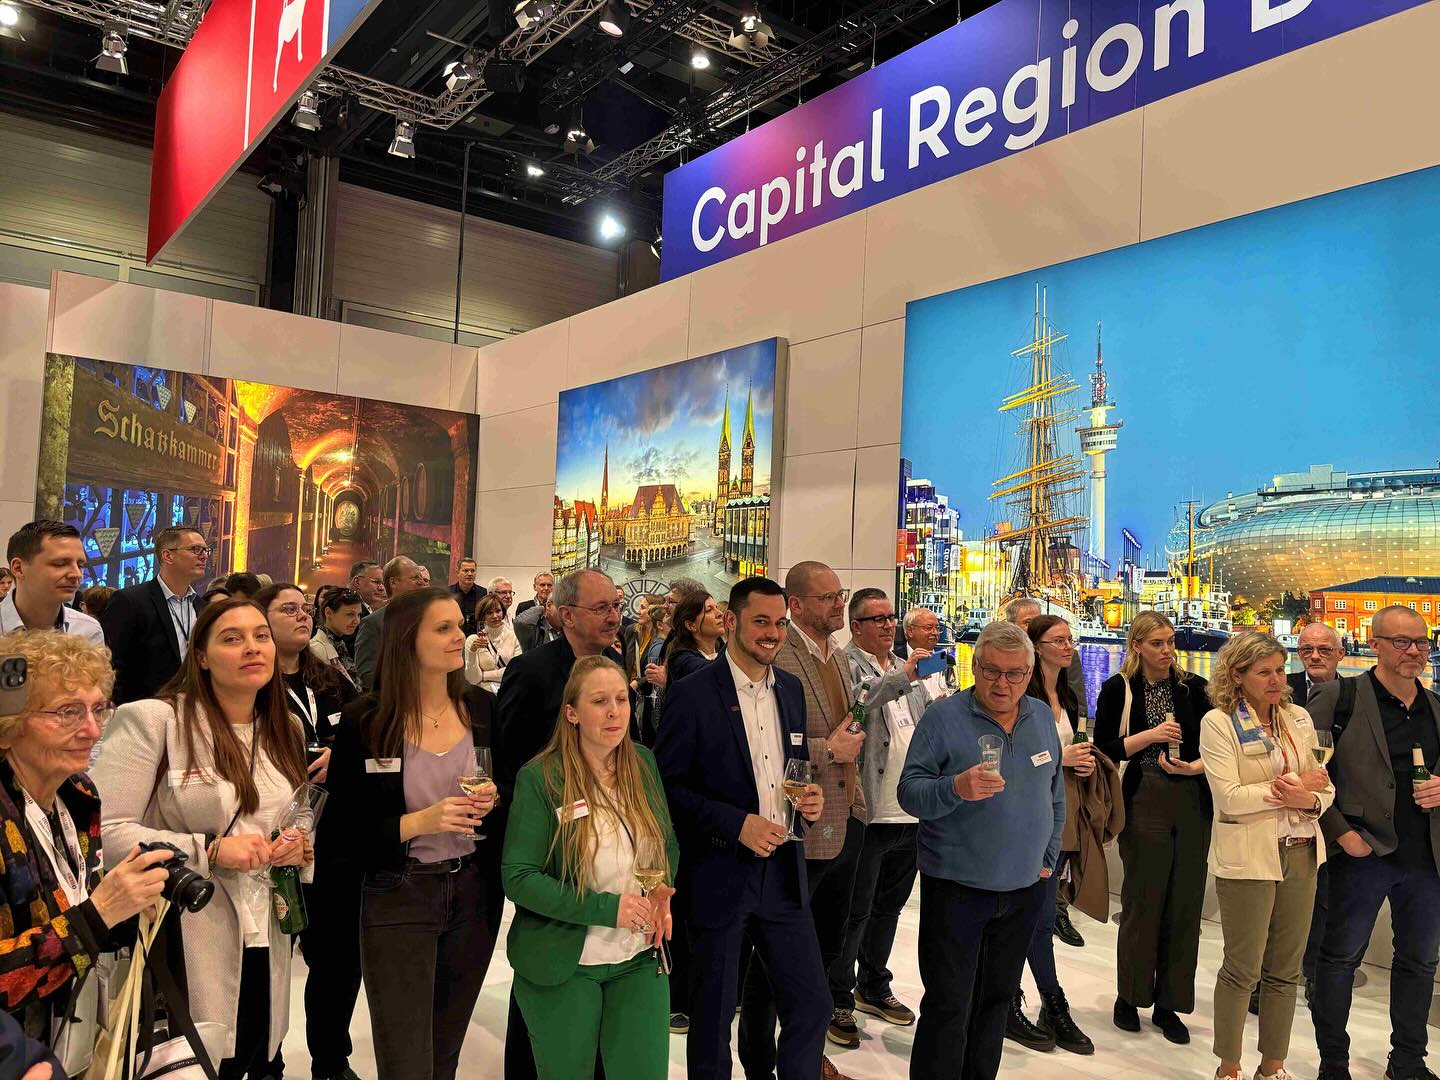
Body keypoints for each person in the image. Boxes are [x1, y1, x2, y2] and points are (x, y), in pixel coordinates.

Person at [93, 597, 313, 1078]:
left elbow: (292, 814)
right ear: (201, 657)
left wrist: (298, 845)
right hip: (183, 937)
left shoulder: (286, 728)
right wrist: (207, 850)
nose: (252, 647)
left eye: (260, 636)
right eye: (232, 639)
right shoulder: (155, 720)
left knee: (254, 1053)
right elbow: (105, 833)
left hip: (267, 932)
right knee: (194, 1064)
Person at [655, 576, 829, 1080]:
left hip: (783, 875)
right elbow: (668, 788)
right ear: (731, 621)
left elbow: (793, 769)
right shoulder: (692, 693)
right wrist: (736, 824)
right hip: (720, 874)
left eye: (780, 623)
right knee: (712, 1020)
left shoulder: (790, 689)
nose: (773, 633)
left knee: (812, 1005)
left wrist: (807, 800)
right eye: (761, 622)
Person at [325, 587, 500, 1080]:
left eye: (458, 625)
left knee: (445, 1054)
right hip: (397, 893)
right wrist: (420, 822)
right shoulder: (367, 719)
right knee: (406, 1060)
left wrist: (494, 798)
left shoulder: (481, 708)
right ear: (406, 640)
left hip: (473, 893)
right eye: (443, 628)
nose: (459, 636)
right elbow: (341, 831)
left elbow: (503, 784)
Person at [897, 620, 1065, 1080]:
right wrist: (955, 787)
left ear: (1029, 673)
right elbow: (909, 792)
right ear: (976, 667)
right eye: (991, 671)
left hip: (1024, 888)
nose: (1001, 684)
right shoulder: (944, 717)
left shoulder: (1040, 717)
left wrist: (1048, 857)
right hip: (956, 888)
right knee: (949, 1004)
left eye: (1014, 674)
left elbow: (1054, 793)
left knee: (996, 1003)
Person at [0, 631, 172, 1064]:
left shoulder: (78, 793)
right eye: (68, 712)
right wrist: (100, 913)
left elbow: (72, 898)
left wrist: (127, 908)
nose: (93, 731)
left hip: (69, 1032)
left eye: (98, 709)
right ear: (8, 723)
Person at [502, 655, 678, 1078]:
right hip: (565, 962)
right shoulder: (542, 778)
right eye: (599, 701)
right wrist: (607, 908)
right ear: (572, 713)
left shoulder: (643, 763)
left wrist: (660, 889)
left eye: (621, 699)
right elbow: (519, 878)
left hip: (638, 956)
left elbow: (665, 843)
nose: (614, 711)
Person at [495, 567, 624, 1080]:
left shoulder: (613, 664)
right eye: (602, 608)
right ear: (566, 615)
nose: (614, 617)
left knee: (599, 959)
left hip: (610, 842)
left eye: (616, 606)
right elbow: (509, 764)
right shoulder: (532, 671)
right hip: (553, 845)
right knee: (548, 960)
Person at [742, 561, 863, 1079]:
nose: (839, 604)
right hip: (800, 828)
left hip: (844, 818)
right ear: (796, 605)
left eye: (840, 594)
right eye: (828, 597)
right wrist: (827, 750)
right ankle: (763, 1060)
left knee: (826, 949)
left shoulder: (836, 656)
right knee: (776, 962)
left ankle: (805, 1055)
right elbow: (766, 743)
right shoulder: (780, 655)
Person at [1308, 605, 1440, 1080]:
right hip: (1361, 853)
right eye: (1402, 641)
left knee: (1419, 962)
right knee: (1339, 959)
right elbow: (1305, 772)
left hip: (1426, 859)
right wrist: (1342, 833)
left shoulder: (1436, 706)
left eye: (1421, 642)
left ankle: (1407, 1061)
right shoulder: (1338, 698)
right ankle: (1333, 1064)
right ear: (1375, 644)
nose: (1413, 651)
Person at [1199, 632, 1334, 1080]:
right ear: (1237, 676)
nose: (1277, 680)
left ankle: (1272, 1066)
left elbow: (1325, 787)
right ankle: (1229, 1067)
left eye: (1279, 670)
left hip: (1302, 851)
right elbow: (1230, 797)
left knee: (1286, 971)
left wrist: (1308, 799)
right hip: (1250, 856)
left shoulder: (1298, 718)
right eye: (1264, 672)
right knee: (1242, 969)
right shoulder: (1218, 723)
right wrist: (1291, 790)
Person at [254, 582, 361, 1080]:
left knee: (338, 960)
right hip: (269, 839)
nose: (302, 616)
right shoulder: (251, 684)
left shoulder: (330, 677)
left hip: (332, 838)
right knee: (266, 963)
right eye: (288, 609)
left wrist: (341, 754)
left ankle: (331, 1061)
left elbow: (366, 731)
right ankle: (265, 1061)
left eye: (305, 608)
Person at [1093, 610, 1211, 1044]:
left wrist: (1195, 766)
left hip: (1192, 797)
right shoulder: (1119, 688)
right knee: (1143, 901)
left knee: (1185, 904)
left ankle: (1170, 1003)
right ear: (1137, 646)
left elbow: (1218, 744)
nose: (1166, 651)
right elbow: (1105, 748)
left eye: (1170, 642)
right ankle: (1130, 995)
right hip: (1143, 795)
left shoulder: (1194, 688)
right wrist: (1153, 735)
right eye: (1157, 643)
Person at [828, 588, 930, 1049]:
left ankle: (873, 985)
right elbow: (856, 708)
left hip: (910, 811)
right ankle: (837, 997)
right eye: (878, 619)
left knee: (889, 908)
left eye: (891, 617)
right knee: (855, 911)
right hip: (869, 811)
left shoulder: (908, 667)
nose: (889, 625)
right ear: (857, 626)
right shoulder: (845, 664)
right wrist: (903, 677)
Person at [1007, 614, 1095, 1056]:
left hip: (1058, 813)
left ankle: (1039, 1003)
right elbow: (1016, 758)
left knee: (1040, 917)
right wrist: (1063, 758)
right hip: (1021, 818)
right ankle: (1042, 1002)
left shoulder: (1069, 697)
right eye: (1058, 640)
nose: (1068, 647)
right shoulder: (1022, 698)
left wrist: (1081, 761)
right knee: (1031, 918)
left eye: (1069, 639)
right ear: (1036, 646)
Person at [1249, 621, 1347, 1016]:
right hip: (1275, 814)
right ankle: (1261, 984)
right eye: (1307, 650)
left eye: (1324, 649)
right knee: (1269, 910)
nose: (1315, 657)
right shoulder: (1277, 689)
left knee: (1321, 906)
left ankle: (1312, 981)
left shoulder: (1353, 695)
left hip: (1330, 816)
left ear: (1340, 653)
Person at [101, 525, 209, 705]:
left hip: (194, 706)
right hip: (144, 709)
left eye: (205, 550)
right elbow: (112, 666)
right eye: (195, 549)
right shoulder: (130, 601)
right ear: (168, 555)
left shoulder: (202, 607)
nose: (204, 555)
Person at [1, 521, 103, 644]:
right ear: (19, 568)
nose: (77, 574)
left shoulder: (88, 630)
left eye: (80, 565)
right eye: (60, 564)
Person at [353, 556, 426, 691]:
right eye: (415, 578)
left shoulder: (429, 620)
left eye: (421, 578)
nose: (422, 582)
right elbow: (367, 674)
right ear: (393, 582)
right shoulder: (373, 623)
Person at [663, 591, 724, 687]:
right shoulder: (681, 658)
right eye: (709, 610)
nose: (720, 613)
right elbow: (713, 672)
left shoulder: (721, 650)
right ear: (691, 625)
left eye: (716, 608)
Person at [465, 593, 523, 691]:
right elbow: (473, 679)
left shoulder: (513, 636)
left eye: (498, 611)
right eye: (489, 613)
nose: (495, 616)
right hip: (483, 694)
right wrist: (472, 652)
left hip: (508, 691)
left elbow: (515, 671)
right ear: (482, 616)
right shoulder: (473, 640)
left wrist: (483, 676)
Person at [309, 587, 363, 689]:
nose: (357, 621)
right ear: (328, 613)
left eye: (359, 615)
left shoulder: (341, 643)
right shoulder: (315, 650)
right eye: (350, 614)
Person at [449, 557, 486, 637]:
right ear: (457, 573)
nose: (470, 574)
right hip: (454, 636)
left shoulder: (483, 593)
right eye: (466, 571)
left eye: (472, 571)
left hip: (477, 638)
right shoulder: (448, 593)